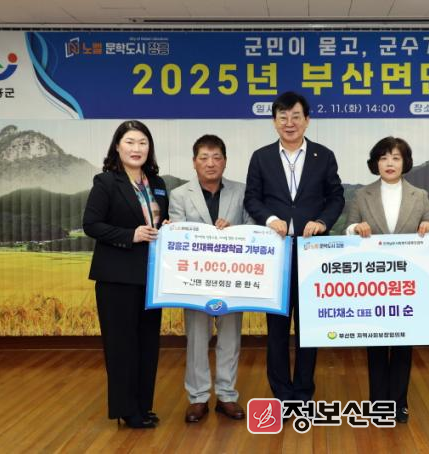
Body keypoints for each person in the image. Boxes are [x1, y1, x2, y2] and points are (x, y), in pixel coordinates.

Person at [244, 91, 344, 403]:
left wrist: (323, 222)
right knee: (276, 328)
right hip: (275, 253)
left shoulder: (323, 155)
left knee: (308, 326)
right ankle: (281, 395)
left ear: (307, 120)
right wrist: (270, 218)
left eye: (296, 116)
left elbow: (336, 197)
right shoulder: (261, 157)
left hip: (311, 252)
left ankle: (303, 392)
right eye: (283, 117)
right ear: (274, 121)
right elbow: (252, 198)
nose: (289, 123)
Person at [83, 120, 169, 429]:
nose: (136, 148)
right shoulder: (106, 182)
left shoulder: (157, 183)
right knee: (122, 346)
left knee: (147, 344)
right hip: (117, 277)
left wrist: (167, 227)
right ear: (117, 147)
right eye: (130, 142)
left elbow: (160, 219)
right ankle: (126, 409)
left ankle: (143, 406)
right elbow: (91, 224)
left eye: (142, 143)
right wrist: (130, 235)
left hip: (151, 278)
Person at [344, 136, 429, 424]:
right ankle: (378, 404)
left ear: (405, 162)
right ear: (375, 163)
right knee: (375, 345)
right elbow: (348, 229)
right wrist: (355, 229)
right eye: (383, 158)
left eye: (396, 157)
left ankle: (399, 403)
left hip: (407, 284)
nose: (390, 163)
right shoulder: (362, 195)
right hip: (374, 283)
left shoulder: (419, 195)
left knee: (403, 345)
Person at [168, 134, 253, 423]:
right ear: (194, 162)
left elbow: (254, 227)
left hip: (232, 278)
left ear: (225, 161)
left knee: (230, 337)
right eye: (204, 158)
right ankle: (198, 397)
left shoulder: (241, 191)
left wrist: (234, 230)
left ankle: (227, 395)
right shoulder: (180, 195)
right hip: (195, 281)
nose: (210, 163)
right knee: (197, 338)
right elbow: (177, 233)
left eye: (217, 157)